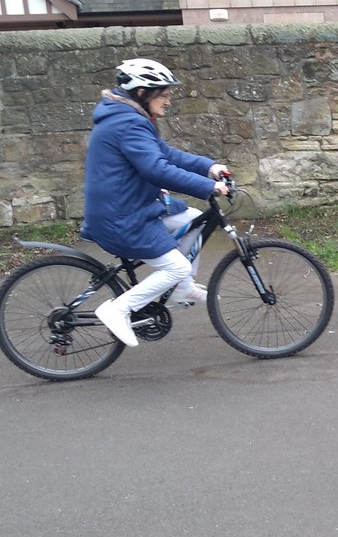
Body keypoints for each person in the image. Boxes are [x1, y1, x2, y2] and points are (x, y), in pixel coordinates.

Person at [81, 58, 231, 348]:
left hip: (128, 207)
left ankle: (181, 290)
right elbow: (157, 170)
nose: (168, 100)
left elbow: (166, 155)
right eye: (163, 94)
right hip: (121, 217)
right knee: (176, 267)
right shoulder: (128, 124)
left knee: (191, 220)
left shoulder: (129, 118)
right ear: (141, 93)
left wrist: (209, 167)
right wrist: (209, 186)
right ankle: (118, 309)